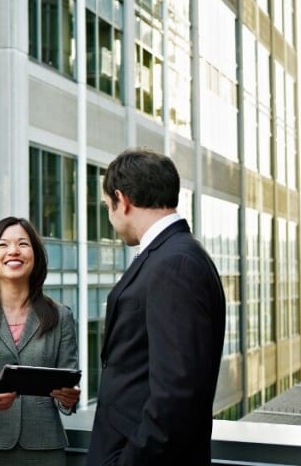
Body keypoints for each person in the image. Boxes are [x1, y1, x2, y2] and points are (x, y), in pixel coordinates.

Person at [87, 148, 226, 465]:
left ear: (122, 201)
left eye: (108, 207)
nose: (110, 218)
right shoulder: (173, 256)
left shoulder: (176, 265)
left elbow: (176, 394)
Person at [0, 217, 80, 466]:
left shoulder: (61, 316)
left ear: (35, 256)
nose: (13, 251)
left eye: (23, 244)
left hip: (44, 446)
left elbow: (67, 379)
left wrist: (68, 398)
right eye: (3, 245)